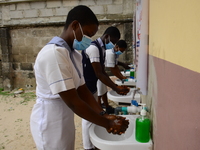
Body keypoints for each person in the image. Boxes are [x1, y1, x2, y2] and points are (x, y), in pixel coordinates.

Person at [30, 5, 129, 150]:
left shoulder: (74, 54)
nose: (89, 40)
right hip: (50, 118)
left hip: (64, 115)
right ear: (75, 25)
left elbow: (82, 90)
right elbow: (73, 101)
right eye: (88, 34)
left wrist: (102, 114)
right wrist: (107, 123)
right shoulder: (53, 53)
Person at [81, 27, 130, 150]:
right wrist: (116, 88)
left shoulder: (102, 49)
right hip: (85, 87)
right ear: (107, 36)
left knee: (94, 117)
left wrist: (116, 86)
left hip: (92, 86)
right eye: (114, 42)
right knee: (87, 119)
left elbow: (102, 71)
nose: (114, 45)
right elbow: (99, 73)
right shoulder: (93, 48)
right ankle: (88, 147)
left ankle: (93, 144)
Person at [97, 40, 130, 113]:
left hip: (102, 72)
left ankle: (107, 107)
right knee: (99, 93)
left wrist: (122, 77)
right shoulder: (110, 53)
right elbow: (113, 69)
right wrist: (121, 78)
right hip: (97, 73)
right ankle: (99, 111)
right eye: (121, 50)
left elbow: (115, 66)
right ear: (117, 47)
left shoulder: (115, 53)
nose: (121, 52)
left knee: (104, 91)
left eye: (123, 51)